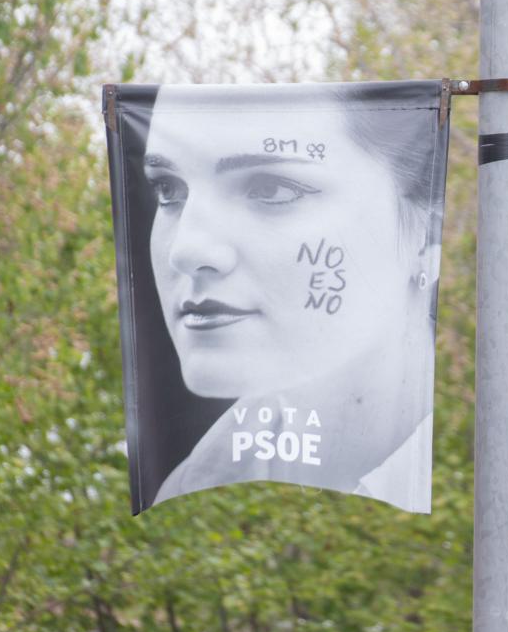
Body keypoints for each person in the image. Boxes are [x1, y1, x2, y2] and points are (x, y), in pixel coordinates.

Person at [141, 83, 443, 512]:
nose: (185, 250)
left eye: (271, 189)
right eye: (168, 189)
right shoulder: (192, 491)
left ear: (424, 236)